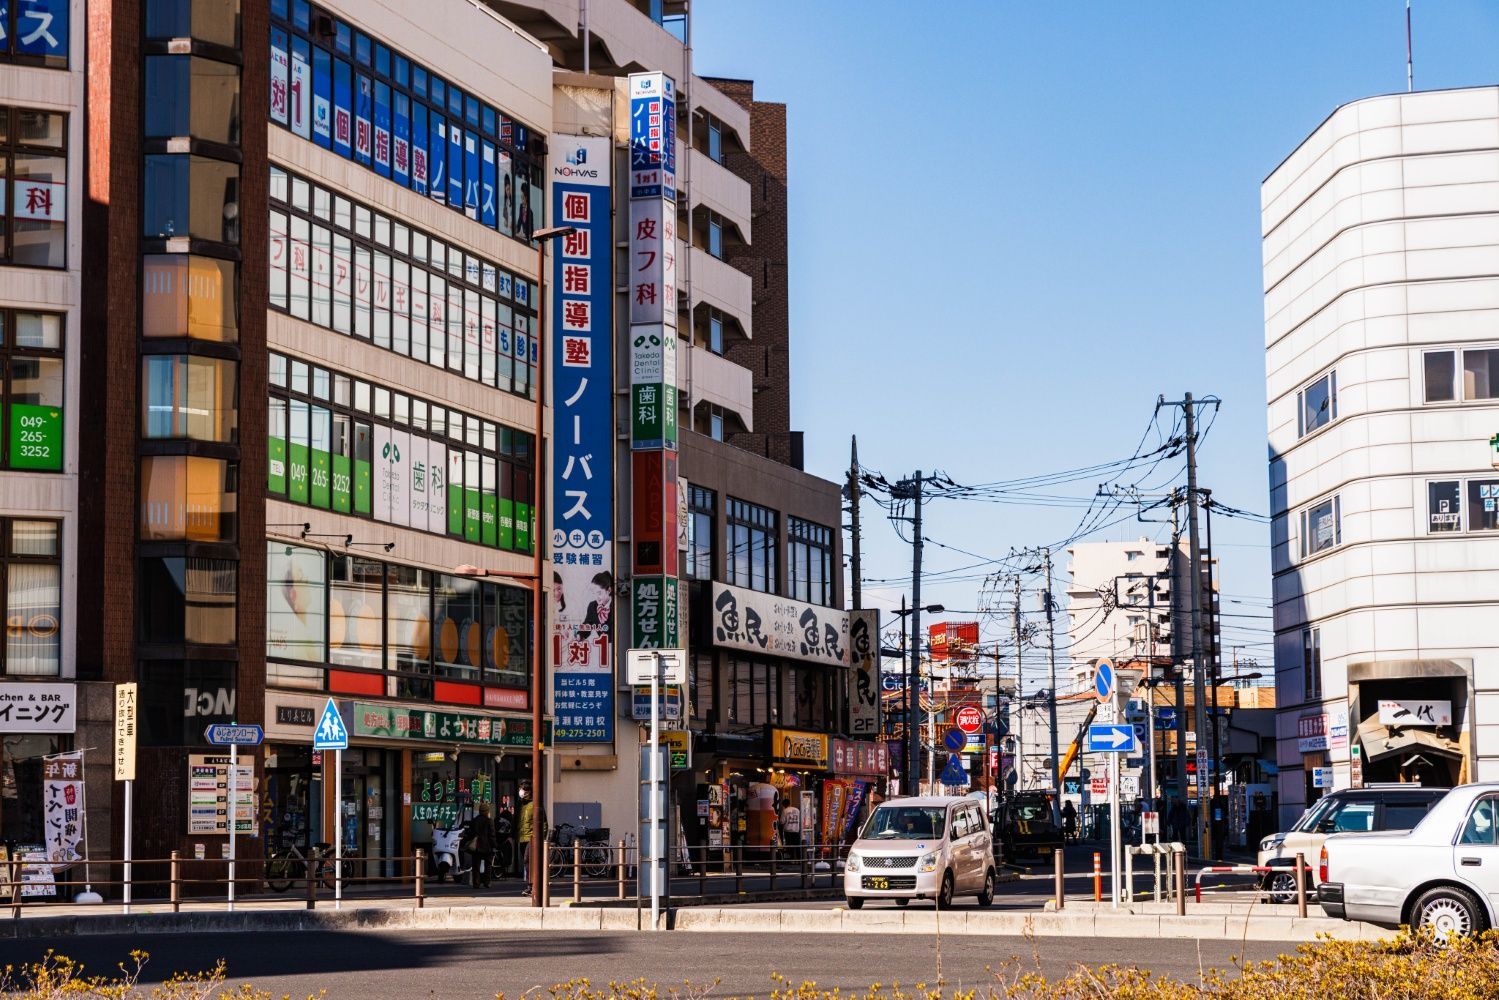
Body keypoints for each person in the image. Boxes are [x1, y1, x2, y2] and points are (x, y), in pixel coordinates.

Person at [518, 780, 546, 895]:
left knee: (528, 860)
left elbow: (543, 822)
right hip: (522, 838)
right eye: (521, 789)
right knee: (526, 862)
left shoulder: (535, 804)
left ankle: (532, 886)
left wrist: (541, 837)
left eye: (523, 789)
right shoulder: (522, 805)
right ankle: (531, 885)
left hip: (531, 837)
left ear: (529, 791)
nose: (521, 791)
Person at [461, 803, 496, 888]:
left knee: (476, 865)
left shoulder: (474, 820)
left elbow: (470, 834)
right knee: (488, 865)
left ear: (480, 811)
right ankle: (487, 882)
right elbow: (492, 835)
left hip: (476, 846)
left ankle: (476, 883)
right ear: (487, 811)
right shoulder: (489, 821)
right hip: (487, 847)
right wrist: (494, 845)